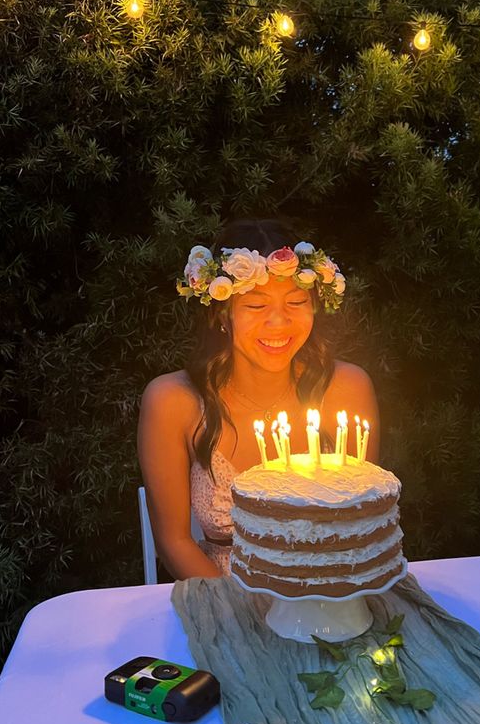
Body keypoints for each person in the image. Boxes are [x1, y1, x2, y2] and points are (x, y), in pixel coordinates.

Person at [137, 218, 380, 580]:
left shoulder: (346, 388)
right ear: (222, 313)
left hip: (332, 593)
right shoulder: (173, 401)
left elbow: (363, 522)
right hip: (224, 596)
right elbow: (174, 541)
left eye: (296, 301)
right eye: (255, 306)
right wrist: (243, 618)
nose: (279, 323)